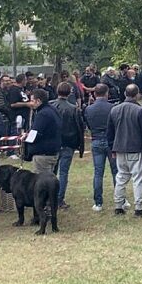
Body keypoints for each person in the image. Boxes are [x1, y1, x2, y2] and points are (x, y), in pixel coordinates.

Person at [107, 84, 142, 217]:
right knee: (138, 179)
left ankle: (118, 205)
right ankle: (138, 207)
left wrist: (112, 148)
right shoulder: (139, 110)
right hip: (135, 148)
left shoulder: (114, 110)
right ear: (137, 94)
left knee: (121, 177)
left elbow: (110, 132)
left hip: (119, 148)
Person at [50, 82, 85, 210]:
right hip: (67, 143)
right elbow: (79, 127)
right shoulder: (74, 109)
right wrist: (78, 144)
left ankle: (50, 198)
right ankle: (59, 199)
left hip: (53, 144)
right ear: (70, 92)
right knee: (63, 173)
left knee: (51, 172)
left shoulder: (50, 106)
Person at [84, 83, 119, 212]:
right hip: (111, 141)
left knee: (98, 173)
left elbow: (87, 124)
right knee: (116, 171)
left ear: (94, 93)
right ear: (107, 93)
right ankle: (120, 199)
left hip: (96, 139)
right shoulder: (113, 108)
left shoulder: (89, 109)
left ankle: (98, 202)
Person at [27, 88, 62, 174]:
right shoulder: (53, 110)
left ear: (38, 101)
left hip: (43, 154)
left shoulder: (42, 114)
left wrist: (26, 138)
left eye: (32, 100)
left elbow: (36, 133)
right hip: (53, 151)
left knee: (42, 183)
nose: (30, 103)